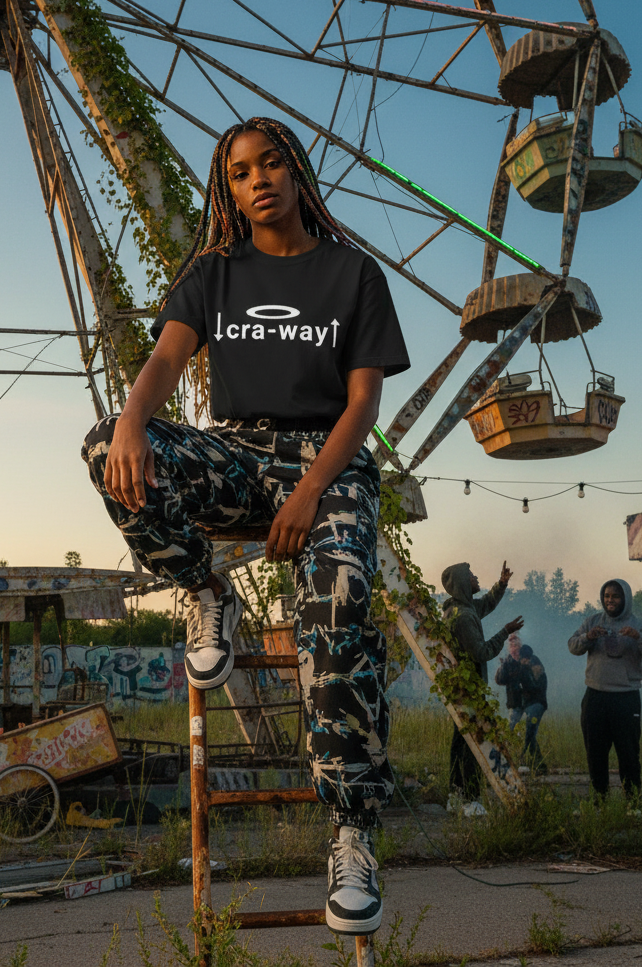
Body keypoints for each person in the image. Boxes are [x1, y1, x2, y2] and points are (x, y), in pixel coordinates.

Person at [81, 116, 409, 935]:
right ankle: (204, 589)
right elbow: (164, 360)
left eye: (270, 166)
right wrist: (130, 423)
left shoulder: (353, 274)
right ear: (227, 191)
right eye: (237, 174)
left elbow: (363, 401)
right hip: (235, 453)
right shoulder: (215, 272)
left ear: (295, 173)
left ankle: (351, 831)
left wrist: (308, 493)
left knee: (336, 607)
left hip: (329, 460)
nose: (255, 181)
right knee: (104, 449)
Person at [440, 561, 524, 815]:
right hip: (469, 690)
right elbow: (482, 652)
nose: (476, 578)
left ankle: (455, 795)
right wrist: (505, 632)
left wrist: (501, 584)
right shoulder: (464, 617)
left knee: (461, 741)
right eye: (472, 576)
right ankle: (470, 798)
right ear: (463, 583)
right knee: (474, 744)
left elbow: (486, 604)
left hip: (459, 687)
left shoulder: (458, 609)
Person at [568, 579, 642, 799]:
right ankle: (600, 800)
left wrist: (638, 638)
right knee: (595, 753)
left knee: (628, 753)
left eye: (615, 596)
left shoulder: (638, 625)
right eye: (607, 596)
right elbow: (572, 646)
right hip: (595, 696)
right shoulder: (592, 621)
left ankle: (632, 801)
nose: (610, 600)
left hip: (625, 698)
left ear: (625, 599)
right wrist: (588, 638)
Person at [496, 639, 548, 773]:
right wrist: (504, 666)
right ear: (509, 649)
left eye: (517, 645)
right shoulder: (508, 662)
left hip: (534, 702)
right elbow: (500, 680)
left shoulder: (531, 660)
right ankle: (510, 763)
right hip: (517, 703)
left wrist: (524, 668)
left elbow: (537, 684)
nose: (514, 648)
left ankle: (536, 764)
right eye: (511, 645)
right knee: (510, 731)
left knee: (528, 732)